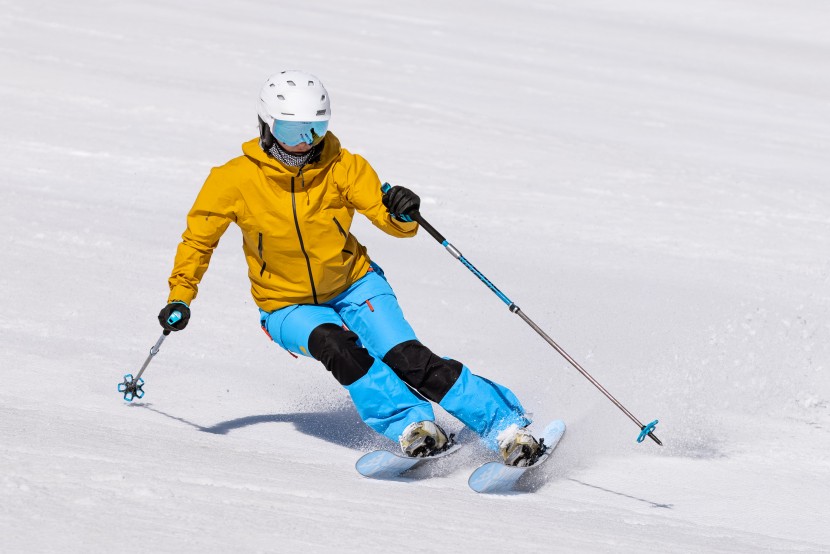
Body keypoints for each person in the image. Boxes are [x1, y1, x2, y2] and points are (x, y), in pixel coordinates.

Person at [159, 70, 542, 466]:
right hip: (285, 304)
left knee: (408, 359)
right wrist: (180, 296)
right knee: (337, 347)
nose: (305, 143)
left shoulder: (343, 166)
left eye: (316, 129)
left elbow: (387, 217)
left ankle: (506, 427)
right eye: (292, 130)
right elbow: (198, 241)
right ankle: (413, 425)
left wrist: (402, 212)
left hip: (356, 284)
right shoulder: (233, 180)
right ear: (266, 126)